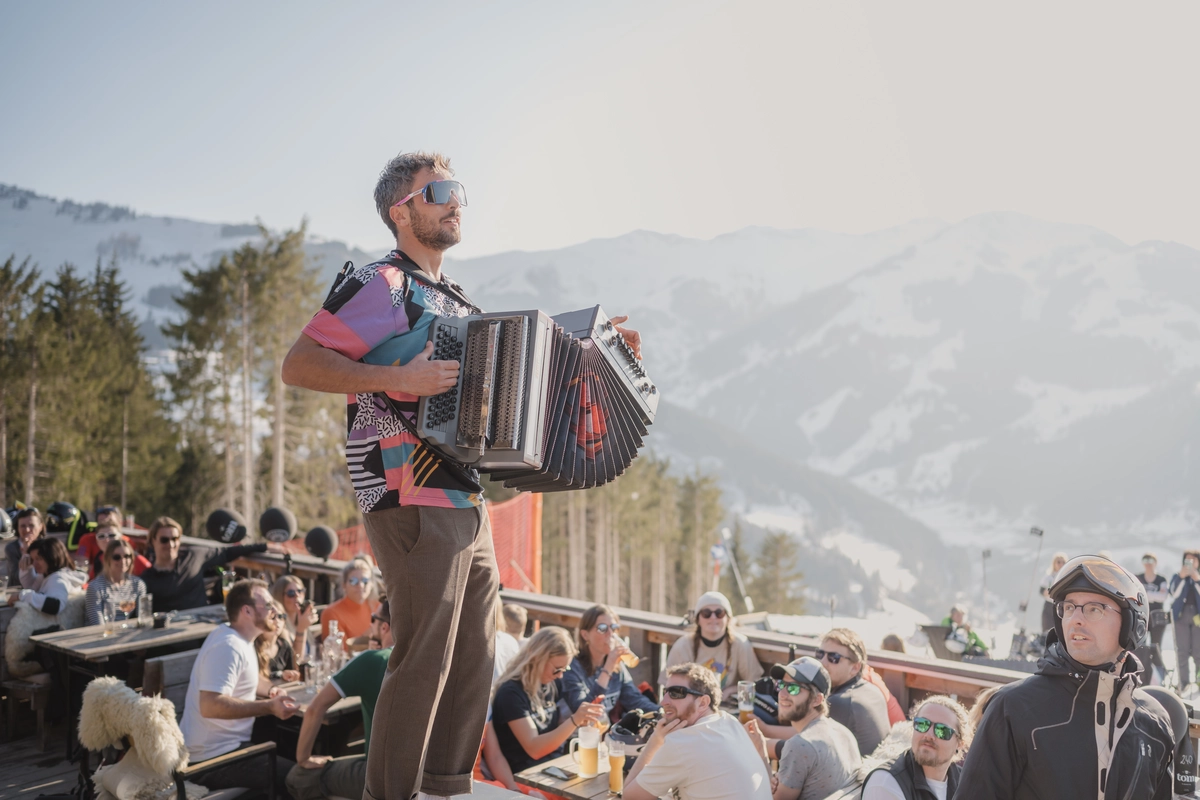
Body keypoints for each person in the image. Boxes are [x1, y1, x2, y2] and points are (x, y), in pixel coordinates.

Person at [282, 150, 643, 800]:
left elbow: (514, 373)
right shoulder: (381, 283)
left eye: (458, 191)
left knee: (475, 655)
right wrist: (396, 379)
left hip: (460, 490)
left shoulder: (452, 297)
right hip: (407, 488)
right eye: (438, 191)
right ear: (402, 210)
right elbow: (300, 364)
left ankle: (443, 789)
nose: (455, 202)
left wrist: (594, 350)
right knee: (422, 658)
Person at [957, 554, 1174, 798]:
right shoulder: (1013, 708)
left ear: (1133, 626)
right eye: (1069, 607)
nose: (1076, 619)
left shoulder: (1154, 723)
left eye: (1094, 609)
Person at [179, 579, 299, 798]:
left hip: (228, 749)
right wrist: (268, 707)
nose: (275, 610)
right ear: (247, 611)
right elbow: (209, 705)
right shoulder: (229, 647)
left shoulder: (240, 639)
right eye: (269, 605)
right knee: (298, 779)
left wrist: (272, 689)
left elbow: (251, 679)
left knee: (291, 759)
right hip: (209, 760)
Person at [287, 600, 395, 800]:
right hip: (422, 776)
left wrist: (304, 758)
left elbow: (315, 708)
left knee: (299, 777)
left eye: (373, 619)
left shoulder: (373, 660)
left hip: (382, 780)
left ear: (384, 626)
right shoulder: (427, 659)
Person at [621, 662, 771, 800]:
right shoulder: (730, 722)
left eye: (676, 693)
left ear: (703, 703)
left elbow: (629, 796)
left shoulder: (683, 742)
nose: (663, 701)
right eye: (665, 692)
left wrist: (655, 741)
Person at [490, 626, 606, 773]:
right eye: (557, 669)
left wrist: (584, 718)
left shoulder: (551, 683)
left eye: (565, 669)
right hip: (526, 776)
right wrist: (574, 721)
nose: (560, 676)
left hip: (552, 768)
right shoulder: (510, 693)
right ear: (536, 658)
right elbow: (534, 749)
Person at [744, 656, 860, 800]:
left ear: (817, 700)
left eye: (794, 688)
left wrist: (761, 755)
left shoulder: (799, 745)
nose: (782, 694)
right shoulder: (844, 733)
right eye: (781, 685)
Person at [140, 516, 279, 612]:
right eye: (164, 540)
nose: (171, 544)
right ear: (152, 541)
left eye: (175, 539)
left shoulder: (194, 556)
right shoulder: (146, 580)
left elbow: (227, 553)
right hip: (168, 638)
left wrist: (264, 547)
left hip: (199, 628)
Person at [860, 695, 972, 800]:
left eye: (942, 730)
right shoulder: (884, 784)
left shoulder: (965, 783)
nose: (929, 735)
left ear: (960, 743)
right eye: (922, 724)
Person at [563, 604, 660, 722]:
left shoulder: (616, 666)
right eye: (602, 628)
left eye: (613, 628)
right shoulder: (571, 667)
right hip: (573, 736)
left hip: (601, 734)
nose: (610, 634)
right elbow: (583, 712)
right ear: (585, 635)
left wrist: (661, 712)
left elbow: (634, 699)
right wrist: (608, 668)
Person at [661, 591, 764, 700]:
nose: (713, 617)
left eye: (719, 613)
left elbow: (755, 682)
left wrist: (731, 690)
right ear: (698, 619)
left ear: (728, 618)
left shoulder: (741, 644)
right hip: (691, 709)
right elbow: (668, 685)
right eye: (706, 613)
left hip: (727, 709)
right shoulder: (682, 646)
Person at [818, 628, 891, 757]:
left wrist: (768, 734)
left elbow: (804, 743)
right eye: (820, 654)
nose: (822, 662)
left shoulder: (841, 702)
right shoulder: (873, 690)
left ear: (855, 667)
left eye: (833, 658)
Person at [8, 537, 86, 615]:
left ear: (52, 557)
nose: (34, 564)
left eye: (38, 559)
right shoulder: (51, 574)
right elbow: (33, 588)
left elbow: (55, 606)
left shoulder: (57, 579)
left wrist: (21, 595)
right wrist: (27, 569)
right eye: (32, 559)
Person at [319, 556, 380, 650]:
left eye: (365, 581)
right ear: (344, 585)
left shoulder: (378, 608)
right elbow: (339, 652)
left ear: (371, 584)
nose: (360, 585)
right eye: (353, 581)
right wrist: (365, 637)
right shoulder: (331, 613)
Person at [85, 538, 148, 626]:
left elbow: (143, 618)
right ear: (107, 559)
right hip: (102, 634)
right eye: (116, 557)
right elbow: (97, 624)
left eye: (127, 556)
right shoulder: (95, 587)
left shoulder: (138, 584)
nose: (123, 561)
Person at [1169, 550, 1200, 690]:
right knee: (1182, 651)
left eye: (1193, 561)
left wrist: (1197, 579)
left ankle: (1198, 680)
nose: (1190, 564)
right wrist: (1181, 577)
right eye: (1187, 561)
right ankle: (1184, 682)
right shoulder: (1177, 576)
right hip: (1181, 616)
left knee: (1198, 651)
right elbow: (1173, 593)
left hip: (1198, 617)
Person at [273, 574, 319, 663]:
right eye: (291, 593)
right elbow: (294, 661)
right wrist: (301, 630)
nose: (297, 596)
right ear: (280, 597)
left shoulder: (302, 620)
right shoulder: (278, 625)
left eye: (300, 591)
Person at [78, 523, 151, 581]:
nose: (106, 540)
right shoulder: (99, 559)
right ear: (97, 541)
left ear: (120, 537)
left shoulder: (134, 558)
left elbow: (153, 577)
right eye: (101, 536)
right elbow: (91, 583)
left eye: (111, 535)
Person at [1138, 552, 1168, 684]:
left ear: (1155, 563)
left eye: (1151, 561)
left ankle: (1161, 677)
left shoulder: (1161, 579)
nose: (1148, 564)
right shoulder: (1138, 577)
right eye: (1146, 561)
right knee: (1140, 647)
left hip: (1158, 618)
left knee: (1156, 648)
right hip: (1141, 617)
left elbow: (1163, 597)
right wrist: (1153, 594)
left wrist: (1146, 594)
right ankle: (1142, 676)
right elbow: (1135, 595)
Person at [256, 601, 299, 682]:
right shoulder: (253, 648)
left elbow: (293, 676)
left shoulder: (284, 646)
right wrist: (280, 675)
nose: (277, 621)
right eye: (272, 617)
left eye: (281, 616)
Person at [6, 507, 45, 587]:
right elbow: (16, 577)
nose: (27, 530)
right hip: (17, 591)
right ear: (17, 528)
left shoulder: (47, 546)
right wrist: (25, 554)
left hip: (42, 589)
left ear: (40, 527)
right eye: (22, 526)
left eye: (31, 525)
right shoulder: (12, 548)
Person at [1039, 552, 1068, 633]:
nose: (1061, 564)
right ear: (1054, 563)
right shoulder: (1048, 577)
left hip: (1061, 606)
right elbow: (1041, 590)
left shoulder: (1067, 577)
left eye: (1063, 562)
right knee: (1046, 630)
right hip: (1049, 606)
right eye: (1058, 562)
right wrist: (1048, 592)